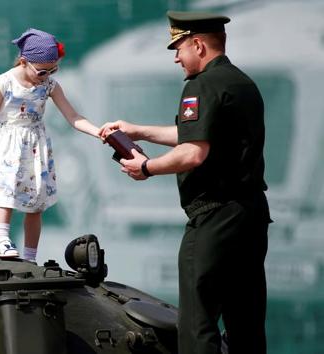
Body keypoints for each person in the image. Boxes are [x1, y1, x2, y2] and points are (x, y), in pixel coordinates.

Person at [99, 11, 271, 354]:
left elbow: (193, 151)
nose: (177, 57)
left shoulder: (201, 84)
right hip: (250, 216)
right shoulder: (241, 83)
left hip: (214, 218)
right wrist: (139, 130)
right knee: (245, 323)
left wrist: (146, 167)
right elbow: (198, 133)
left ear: (198, 45)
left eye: (179, 48)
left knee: (197, 323)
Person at [0, 28, 102, 262]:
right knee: (5, 193)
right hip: (7, 143)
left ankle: (30, 256)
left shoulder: (49, 85)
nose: (47, 75)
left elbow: (73, 116)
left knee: (36, 203)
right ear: (24, 61)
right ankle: (2, 241)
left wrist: (98, 131)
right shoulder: (5, 83)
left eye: (53, 69)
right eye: (42, 71)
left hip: (35, 146)